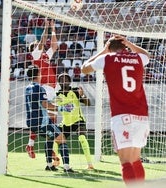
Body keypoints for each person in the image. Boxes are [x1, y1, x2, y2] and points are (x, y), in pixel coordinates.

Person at [81, 35, 150, 185]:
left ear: (110, 49)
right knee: (136, 159)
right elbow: (147, 55)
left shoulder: (107, 58)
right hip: (141, 115)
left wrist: (103, 51)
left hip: (121, 115)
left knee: (125, 161)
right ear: (124, 46)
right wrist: (130, 43)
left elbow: (84, 68)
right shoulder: (138, 58)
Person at [25, 65, 74, 173]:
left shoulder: (27, 88)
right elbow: (45, 104)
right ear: (38, 74)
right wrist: (61, 107)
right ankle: (67, 167)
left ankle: (49, 165)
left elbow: (37, 103)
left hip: (31, 123)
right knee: (62, 139)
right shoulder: (39, 87)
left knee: (49, 138)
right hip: (42, 122)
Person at [26, 18, 59, 162]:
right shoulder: (36, 55)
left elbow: (54, 46)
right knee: (47, 121)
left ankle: (32, 145)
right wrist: (46, 26)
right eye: (38, 46)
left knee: (49, 120)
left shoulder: (45, 56)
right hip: (45, 88)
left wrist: (53, 28)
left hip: (52, 88)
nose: (41, 47)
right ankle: (49, 151)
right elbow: (43, 40)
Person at [56, 73, 94, 170]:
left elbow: (88, 103)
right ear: (59, 82)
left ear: (69, 81)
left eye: (66, 79)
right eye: (61, 79)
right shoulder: (58, 95)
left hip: (78, 120)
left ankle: (90, 164)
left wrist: (83, 95)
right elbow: (59, 108)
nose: (64, 81)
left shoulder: (75, 91)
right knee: (56, 140)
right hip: (66, 122)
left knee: (82, 138)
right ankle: (55, 160)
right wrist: (65, 107)